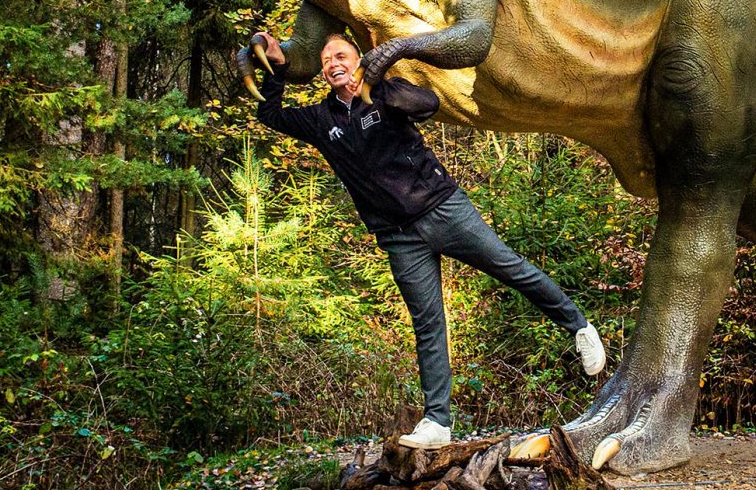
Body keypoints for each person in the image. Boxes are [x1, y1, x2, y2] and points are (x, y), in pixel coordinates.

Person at [246, 28, 606, 449]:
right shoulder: (322, 121)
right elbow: (270, 115)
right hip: (399, 238)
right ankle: (438, 422)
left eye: (340, 55)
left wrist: (376, 85)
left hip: (443, 209)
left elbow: (427, 104)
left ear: (357, 59)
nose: (332, 64)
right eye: (326, 61)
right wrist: (277, 66)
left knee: (512, 269)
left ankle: (579, 326)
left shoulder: (383, 93)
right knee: (428, 324)